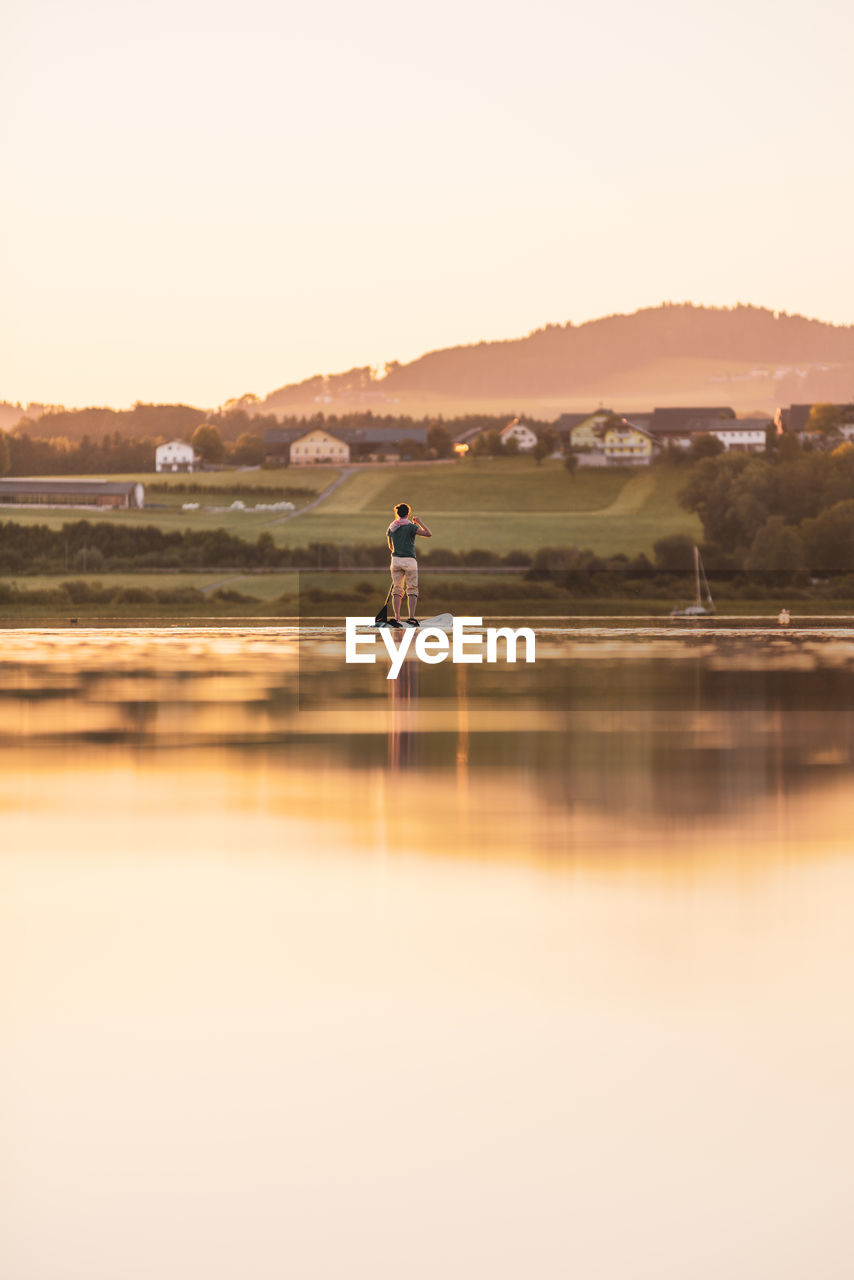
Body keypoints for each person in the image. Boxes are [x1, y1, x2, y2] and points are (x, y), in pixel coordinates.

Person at [386, 502, 432, 626]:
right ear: (408, 514)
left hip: (395, 560)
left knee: (397, 589)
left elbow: (391, 547)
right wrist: (419, 522)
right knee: (412, 589)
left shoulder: (392, 527)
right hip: (409, 561)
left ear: (397, 514)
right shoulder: (411, 527)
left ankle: (397, 618)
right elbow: (428, 533)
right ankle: (411, 617)